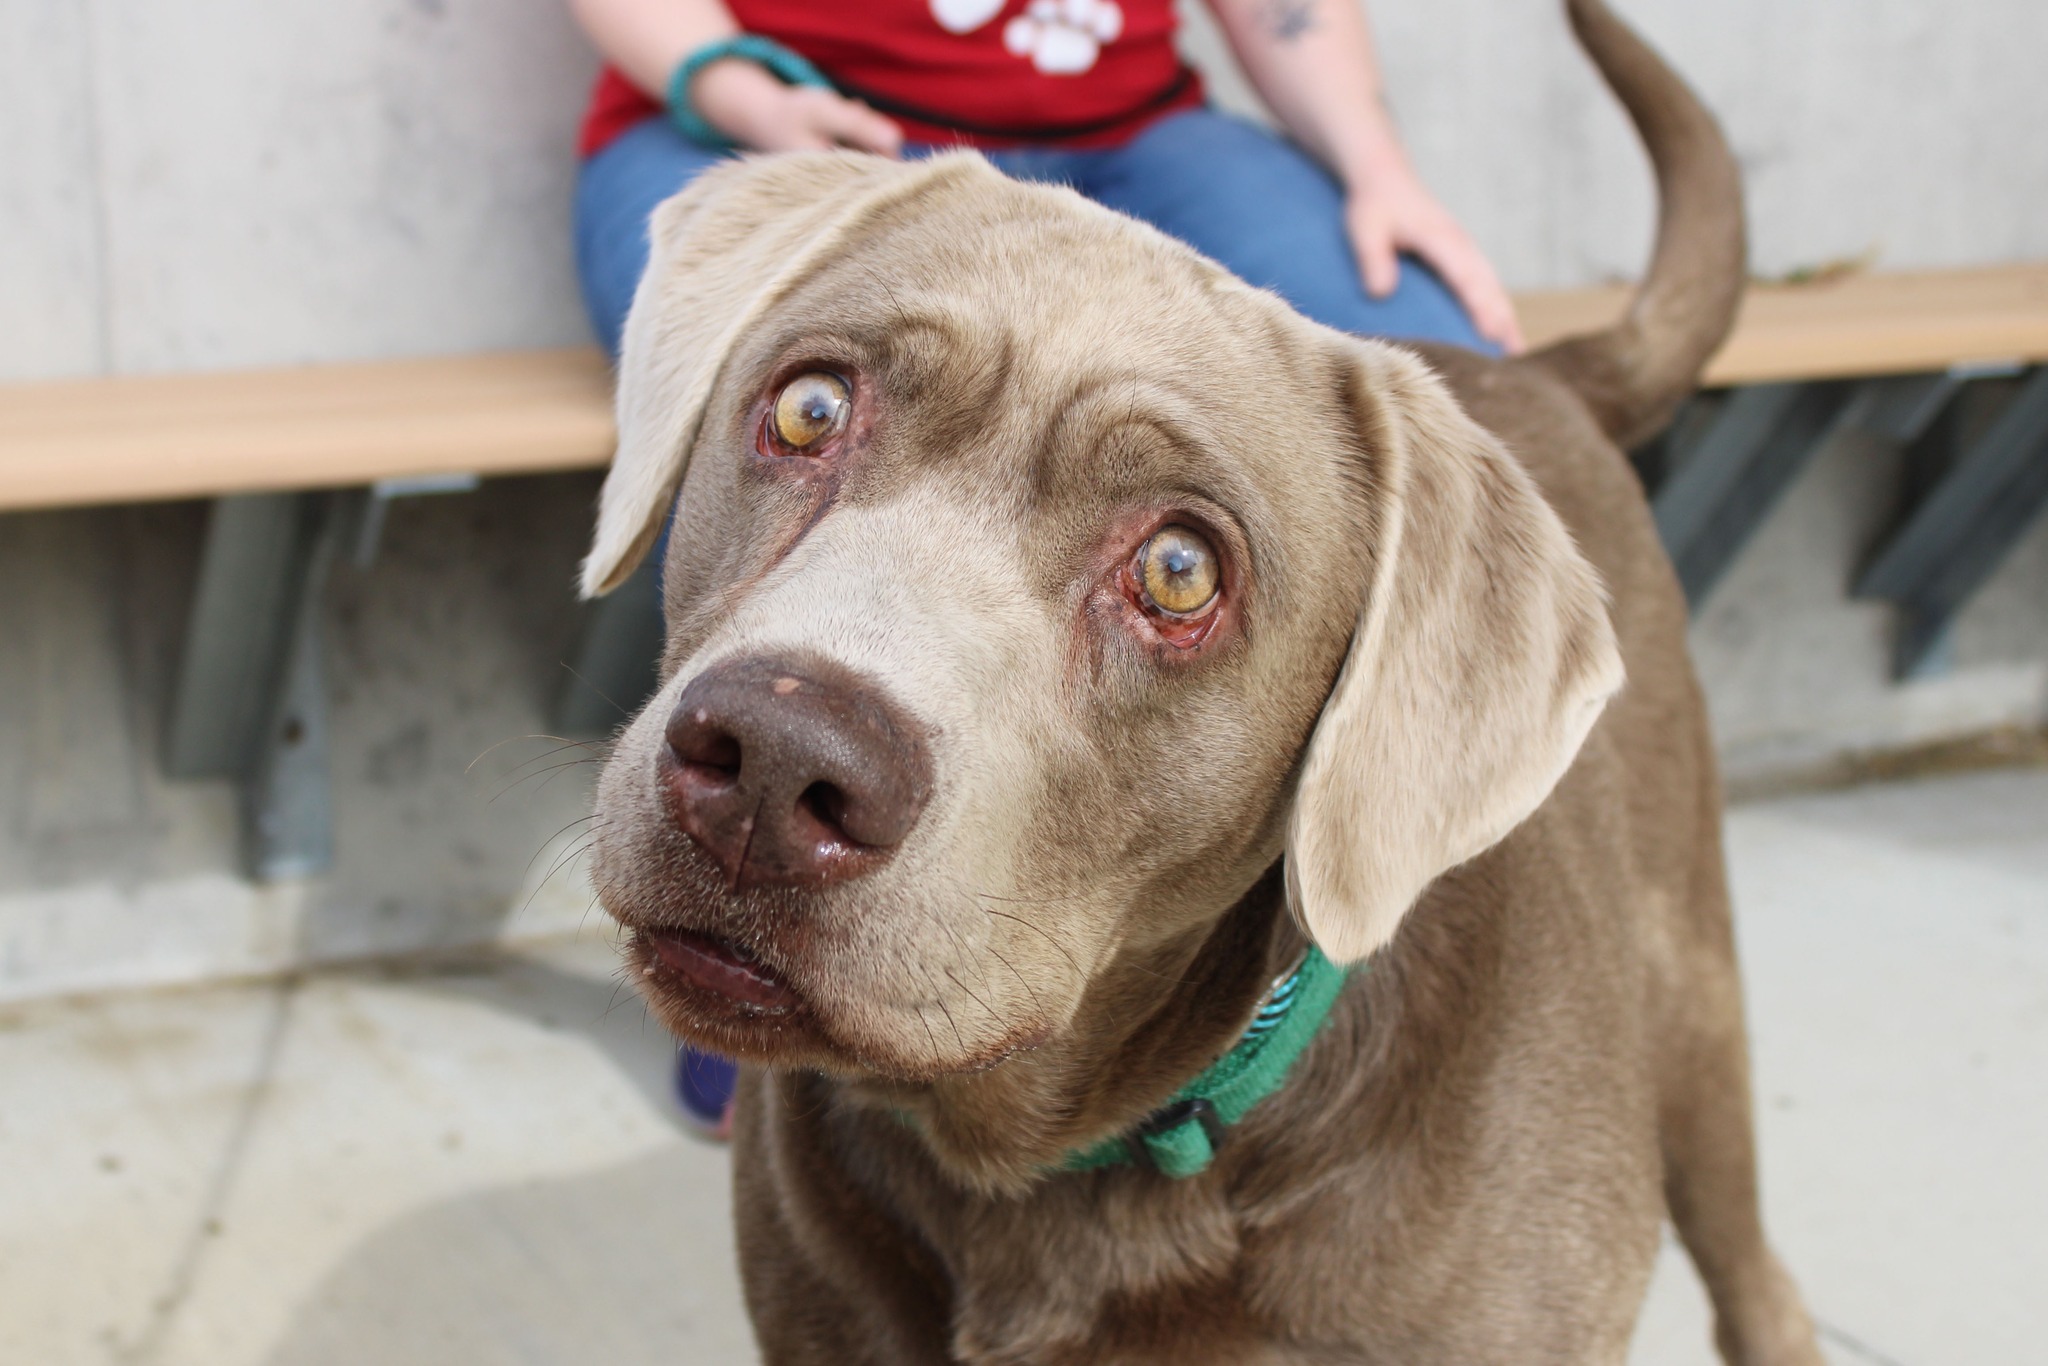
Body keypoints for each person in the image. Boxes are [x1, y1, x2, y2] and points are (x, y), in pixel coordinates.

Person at [567, 0, 1524, 1134]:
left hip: (1122, 124)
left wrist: (1374, 164)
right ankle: (784, 950)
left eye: (1174, 574)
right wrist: (729, 85)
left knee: (1452, 349)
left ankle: (879, 934)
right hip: (786, 104)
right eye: (811, 417)